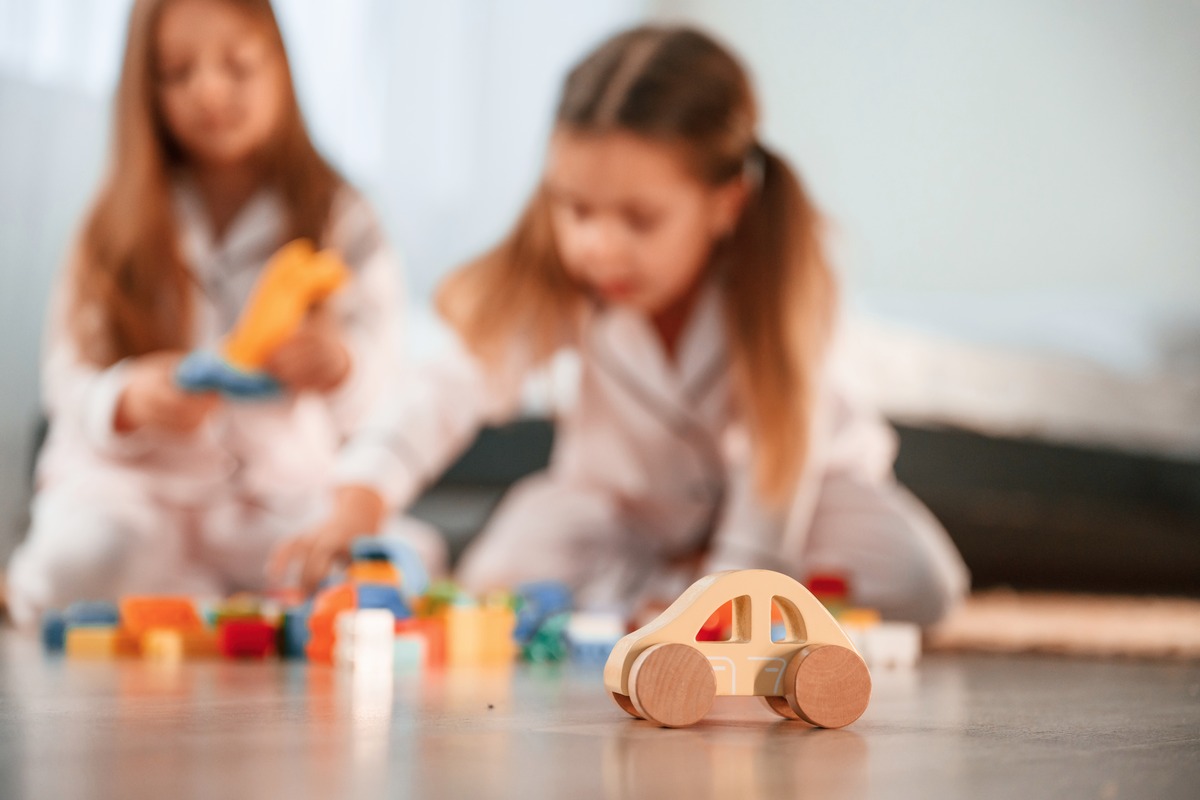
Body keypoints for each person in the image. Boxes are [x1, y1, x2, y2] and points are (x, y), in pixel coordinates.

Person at [275, 25, 969, 625]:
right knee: (501, 569)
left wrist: (730, 587)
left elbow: (778, 459)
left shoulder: (789, 277)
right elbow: (449, 385)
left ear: (725, 203)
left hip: (799, 501)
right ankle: (667, 594)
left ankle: (686, 598)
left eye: (639, 220)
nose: (599, 247)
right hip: (632, 516)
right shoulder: (563, 276)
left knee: (920, 578)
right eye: (575, 209)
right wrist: (359, 503)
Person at [5, 0, 442, 628]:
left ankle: (212, 601)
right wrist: (128, 397)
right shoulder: (111, 224)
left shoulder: (341, 215)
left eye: (237, 66)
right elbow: (67, 378)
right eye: (178, 73)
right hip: (135, 494)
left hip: (273, 500)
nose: (209, 91)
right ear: (145, 89)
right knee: (82, 562)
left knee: (390, 563)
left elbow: (384, 390)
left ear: (281, 69)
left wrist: (341, 367)